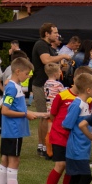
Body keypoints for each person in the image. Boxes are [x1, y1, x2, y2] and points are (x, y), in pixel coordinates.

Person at [0, 57, 44, 184]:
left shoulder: (14, 86)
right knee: (14, 160)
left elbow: (18, 108)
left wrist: (42, 114)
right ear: (17, 71)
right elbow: (5, 110)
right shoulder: (12, 88)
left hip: (10, 130)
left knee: (5, 159)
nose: (28, 76)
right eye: (26, 73)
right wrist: (25, 115)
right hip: (14, 131)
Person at [42, 71, 89, 184]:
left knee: (71, 168)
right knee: (60, 164)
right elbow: (53, 114)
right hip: (60, 136)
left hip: (74, 139)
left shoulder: (88, 99)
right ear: (74, 79)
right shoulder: (62, 95)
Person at [31, 23, 72, 157]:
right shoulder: (41, 44)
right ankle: (42, 146)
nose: (57, 35)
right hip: (41, 85)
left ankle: (46, 145)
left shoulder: (49, 46)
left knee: (49, 116)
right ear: (47, 34)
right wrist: (63, 56)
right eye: (55, 32)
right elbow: (46, 60)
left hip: (49, 85)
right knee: (44, 116)